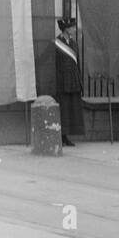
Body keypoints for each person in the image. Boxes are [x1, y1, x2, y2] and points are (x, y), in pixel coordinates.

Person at [54, 17, 85, 147]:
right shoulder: (57, 43)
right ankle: (62, 136)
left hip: (73, 81)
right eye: (72, 27)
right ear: (66, 29)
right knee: (63, 109)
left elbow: (77, 64)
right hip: (63, 82)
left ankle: (67, 136)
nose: (74, 29)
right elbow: (55, 65)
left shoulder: (74, 43)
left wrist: (79, 81)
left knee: (71, 109)